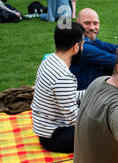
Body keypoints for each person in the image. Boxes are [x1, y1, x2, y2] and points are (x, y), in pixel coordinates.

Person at [31, 22, 85, 153]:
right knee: (106, 130)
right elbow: (74, 118)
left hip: (46, 131)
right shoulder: (63, 77)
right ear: (76, 47)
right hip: (55, 137)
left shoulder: (48, 61)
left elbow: (68, 96)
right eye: (83, 44)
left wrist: (95, 92)